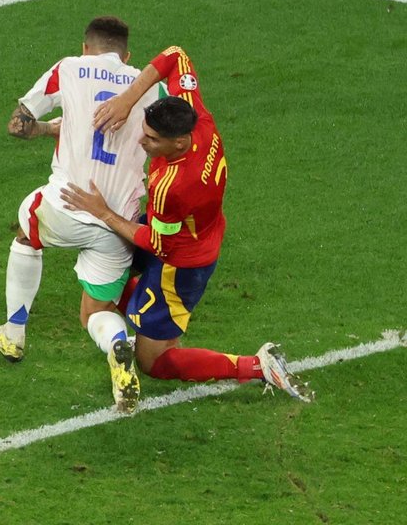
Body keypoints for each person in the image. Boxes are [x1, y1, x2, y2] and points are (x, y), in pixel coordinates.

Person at [60, 46, 312, 403]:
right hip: (185, 230)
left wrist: (104, 213)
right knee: (103, 268)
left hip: (180, 263)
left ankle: (257, 365)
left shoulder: (172, 189)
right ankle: (139, 318)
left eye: (150, 139)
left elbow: (158, 245)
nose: (140, 140)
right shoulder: (197, 120)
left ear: (177, 143)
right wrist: (129, 100)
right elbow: (176, 56)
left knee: (155, 362)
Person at [0, 16, 160, 413]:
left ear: (85, 48)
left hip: (65, 207)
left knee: (27, 230)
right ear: (127, 56)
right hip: (120, 224)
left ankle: (14, 333)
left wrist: (47, 129)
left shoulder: (69, 68)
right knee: (95, 312)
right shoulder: (151, 88)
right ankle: (117, 346)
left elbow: (18, 125)